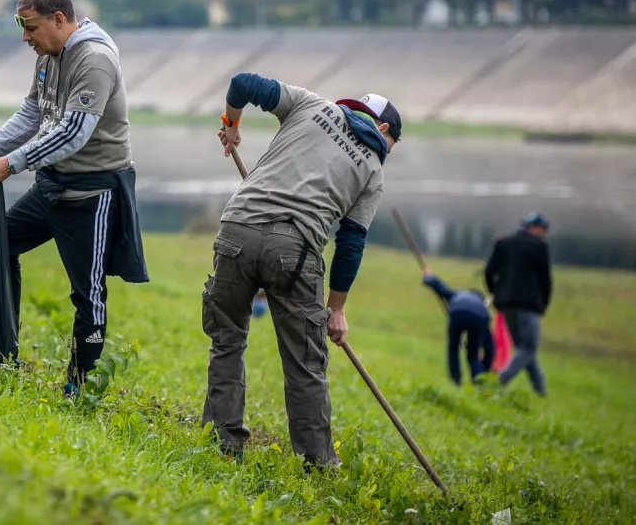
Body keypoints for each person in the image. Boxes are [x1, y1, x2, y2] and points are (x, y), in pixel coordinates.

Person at [0, 0, 147, 395]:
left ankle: (80, 388)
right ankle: (2, 344)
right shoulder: (48, 56)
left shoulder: (94, 60)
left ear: (59, 19)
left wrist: (12, 162)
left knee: (88, 294)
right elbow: (32, 114)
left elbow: (73, 132)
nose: (25, 37)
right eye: (21, 26)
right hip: (51, 184)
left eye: (30, 26)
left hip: (91, 193)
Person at [202, 78, 402, 467]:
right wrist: (336, 308)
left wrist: (232, 124)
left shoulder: (310, 104)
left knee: (227, 341)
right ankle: (316, 464)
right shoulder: (374, 169)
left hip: (236, 229)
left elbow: (242, 84)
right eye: (393, 142)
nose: (389, 150)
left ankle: (221, 446)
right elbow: (351, 242)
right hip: (294, 252)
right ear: (382, 130)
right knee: (305, 365)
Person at [484, 212, 552, 396]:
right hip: (528, 305)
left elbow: (489, 271)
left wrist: (494, 292)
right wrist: (543, 304)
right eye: (542, 229)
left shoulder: (503, 242)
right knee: (528, 347)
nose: (543, 233)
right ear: (534, 227)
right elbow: (545, 280)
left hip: (505, 304)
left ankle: (540, 390)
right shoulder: (538, 246)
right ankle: (499, 381)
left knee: (524, 348)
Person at [421, 268, 495, 386]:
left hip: (457, 312)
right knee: (473, 354)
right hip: (480, 318)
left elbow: (437, 285)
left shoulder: (455, 294)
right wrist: (486, 368)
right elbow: (490, 348)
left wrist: (428, 276)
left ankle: (456, 381)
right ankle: (479, 384)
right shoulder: (481, 306)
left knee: (453, 348)